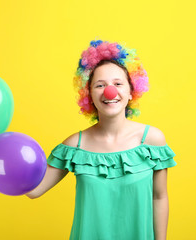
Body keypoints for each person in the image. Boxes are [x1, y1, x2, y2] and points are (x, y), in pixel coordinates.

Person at [26, 40, 177, 240]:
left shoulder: (152, 140)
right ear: (89, 94)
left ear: (131, 91)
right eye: (100, 85)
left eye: (117, 84)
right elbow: (34, 190)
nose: (110, 91)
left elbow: (159, 197)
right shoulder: (75, 146)